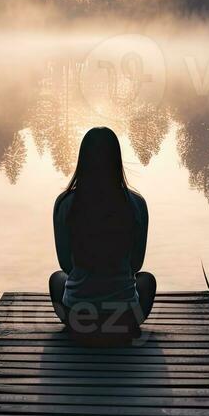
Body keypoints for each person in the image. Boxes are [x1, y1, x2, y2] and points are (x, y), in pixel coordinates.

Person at [49, 126, 156, 341]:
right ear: (116, 160)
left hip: (77, 319)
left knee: (56, 279)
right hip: (124, 319)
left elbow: (65, 265)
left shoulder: (65, 204)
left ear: (83, 160)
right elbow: (136, 265)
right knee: (147, 281)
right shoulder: (136, 204)